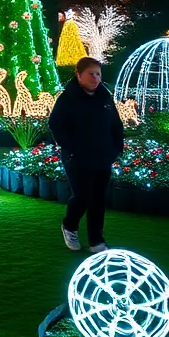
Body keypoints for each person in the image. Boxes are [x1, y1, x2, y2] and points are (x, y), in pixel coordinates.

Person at [48, 57, 125, 254]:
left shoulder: (104, 97)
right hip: (77, 157)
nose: (95, 77)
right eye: (91, 73)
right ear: (78, 74)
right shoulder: (67, 98)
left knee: (99, 199)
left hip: (102, 157)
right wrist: (70, 147)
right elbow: (56, 124)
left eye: (98, 73)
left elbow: (116, 124)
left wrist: (116, 148)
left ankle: (96, 239)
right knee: (82, 196)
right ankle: (70, 226)